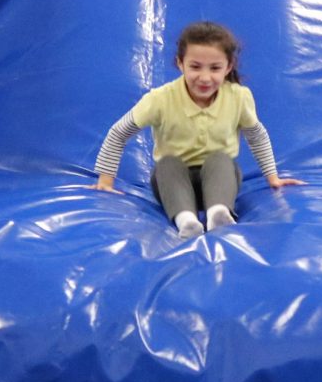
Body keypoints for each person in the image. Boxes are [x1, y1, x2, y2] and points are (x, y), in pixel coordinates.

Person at [93, 21, 303, 238]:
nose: (204, 77)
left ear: (228, 67)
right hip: (173, 186)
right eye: (195, 67)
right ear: (180, 63)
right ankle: (186, 220)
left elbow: (256, 135)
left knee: (220, 159)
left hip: (222, 182)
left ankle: (218, 213)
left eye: (215, 68)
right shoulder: (160, 99)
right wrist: (105, 181)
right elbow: (119, 132)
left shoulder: (238, 97)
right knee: (168, 163)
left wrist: (272, 177)